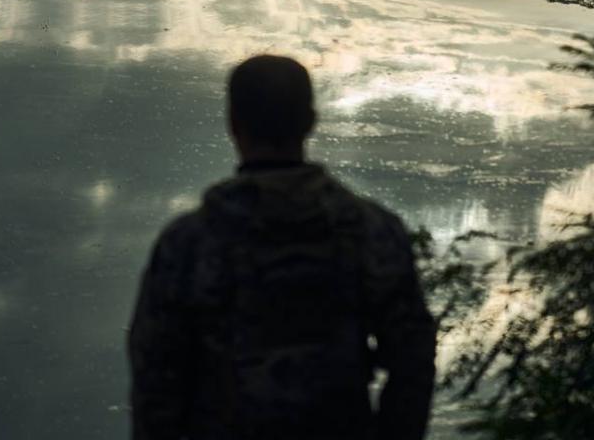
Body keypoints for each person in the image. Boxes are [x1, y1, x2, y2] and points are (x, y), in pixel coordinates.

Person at [128, 55, 436, 440]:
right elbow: (414, 358)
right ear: (310, 122)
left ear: (233, 124)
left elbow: (155, 377)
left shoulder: (189, 243)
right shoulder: (373, 232)